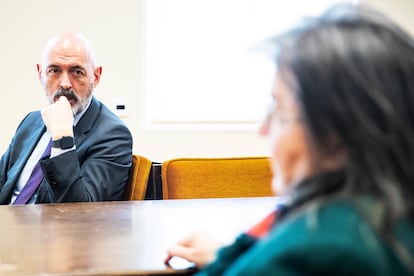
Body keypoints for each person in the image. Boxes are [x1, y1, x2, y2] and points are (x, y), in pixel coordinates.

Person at [165, 3, 414, 275]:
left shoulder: (320, 250)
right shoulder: (386, 217)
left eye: (280, 112)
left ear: (338, 135)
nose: (263, 129)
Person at [0, 33, 133, 204]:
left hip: (51, 229)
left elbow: (81, 211)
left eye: (77, 72)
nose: (64, 83)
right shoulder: (31, 121)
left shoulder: (113, 135)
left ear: (96, 76)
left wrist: (63, 139)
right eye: (54, 70)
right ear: (41, 74)